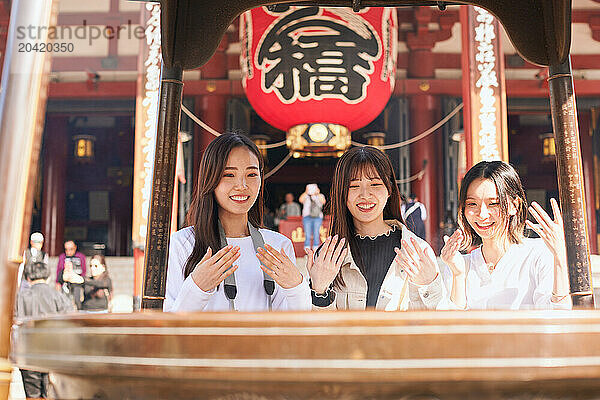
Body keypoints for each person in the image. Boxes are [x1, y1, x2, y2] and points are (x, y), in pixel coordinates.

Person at [164, 133, 310, 312]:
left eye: (251, 174)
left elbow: (294, 326)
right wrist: (197, 288)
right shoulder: (182, 244)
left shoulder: (278, 245)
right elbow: (167, 326)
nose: (242, 185)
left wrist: (297, 288)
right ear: (210, 178)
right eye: (229, 174)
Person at [306, 146, 446, 310]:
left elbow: (436, 327)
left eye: (375, 184)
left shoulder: (418, 251)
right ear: (341, 193)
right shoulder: (327, 257)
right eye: (354, 186)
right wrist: (319, 292)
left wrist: (430, 286)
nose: (365, 194)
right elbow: (317, 332)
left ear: (389, 189)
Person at [439, 160, 571, 310]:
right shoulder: (459, 264)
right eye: (472, 204)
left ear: (514, 206)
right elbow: (454, 328)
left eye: (493, 203)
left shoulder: (539, 253)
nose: (482, 214)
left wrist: (559, 258)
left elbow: (557, 316)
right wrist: (458, 275)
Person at [15, 261, 75, 398]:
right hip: (54, 352)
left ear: (28, 278)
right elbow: (71, 320)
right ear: (47, 277)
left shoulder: (20, 297)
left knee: (32, 394)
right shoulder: (58, 297)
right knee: (51, 393)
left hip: (28, 353)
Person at [55, 240, 87, 309]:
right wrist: (57, 282)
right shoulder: (62, 257)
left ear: (75, 248)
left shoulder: (81, 257)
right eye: (66, 249)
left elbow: (84, 271)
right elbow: (59, 270)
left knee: (77, 299)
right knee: (64, 300)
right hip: (65, 281)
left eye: (71, 249)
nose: (68, 252)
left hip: (77, 282)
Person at [299, 184, 326, 250]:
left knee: (316, 233)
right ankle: (307, 249)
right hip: (307, 217)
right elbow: (300, 200)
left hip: (317, 217)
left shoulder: (320, 196)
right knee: (307, 234)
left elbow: (324, 202)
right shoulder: (306, 196)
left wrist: (318, 193)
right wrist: (306, 192)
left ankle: (316, 248)